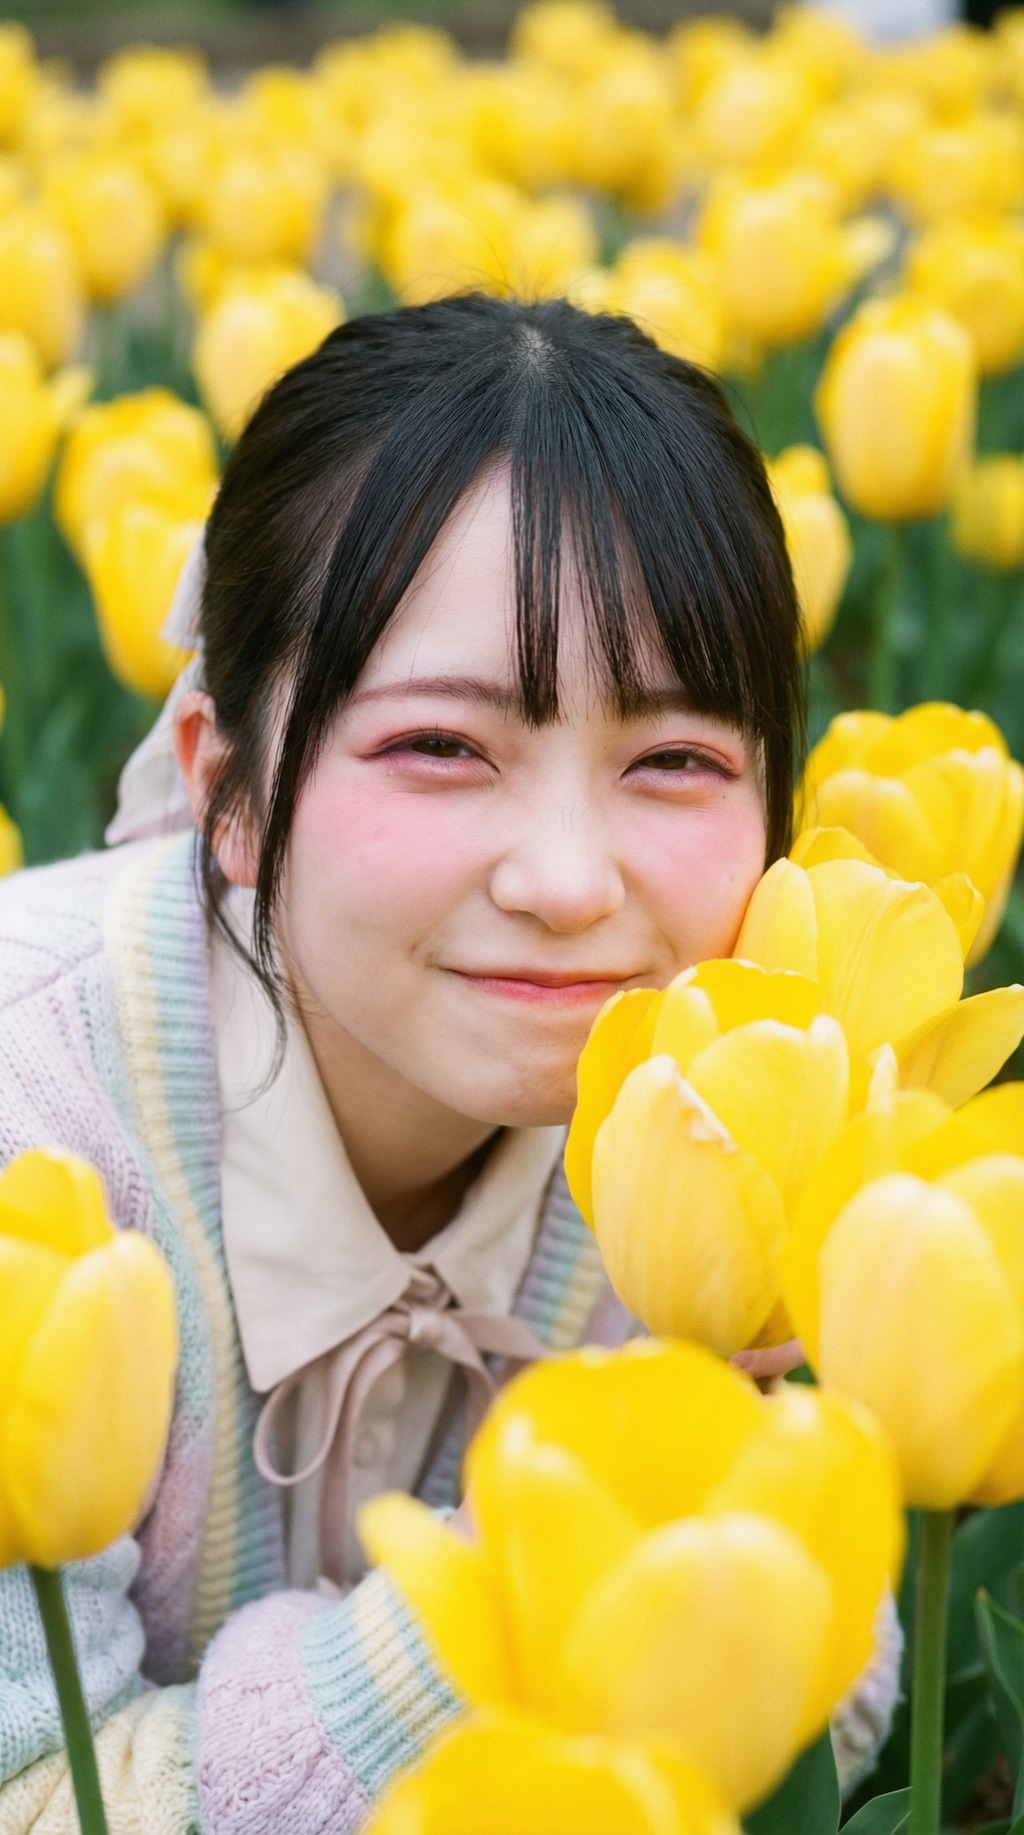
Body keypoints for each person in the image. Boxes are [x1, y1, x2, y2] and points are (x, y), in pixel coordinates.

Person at [0, 291, 867, 1834]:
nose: (568, 881)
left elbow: (847, 1684)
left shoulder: (754, 1116)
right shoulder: (34, 1129)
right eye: (443, 749)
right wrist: (519, 1589)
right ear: (228, 789)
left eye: (675, 761)